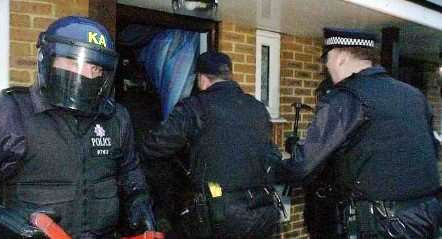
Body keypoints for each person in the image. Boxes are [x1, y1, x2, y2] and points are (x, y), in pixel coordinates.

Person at [0, 16, 155, 238]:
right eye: (73, 63)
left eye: (95, 67)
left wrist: (139, 199)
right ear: (47, 60)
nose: (86, 75)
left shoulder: (116, 117)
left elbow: (129, 169)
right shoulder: (8, 112)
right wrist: (0, 219)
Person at [279, 27, 442, 238]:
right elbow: (431, 149)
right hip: (427, 216)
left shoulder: (346, 98)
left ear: (340, 57)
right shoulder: (414, 95)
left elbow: (302, 166)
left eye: (326, 60)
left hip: (386, 225)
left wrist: (267, 168)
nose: (327, 67)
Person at [139, 51, 281, 239]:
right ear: (229, 75)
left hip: (220, 215)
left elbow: (156, 144)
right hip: (263, 211)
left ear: (202, 78)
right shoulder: (257, 107)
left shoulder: (195, 107)